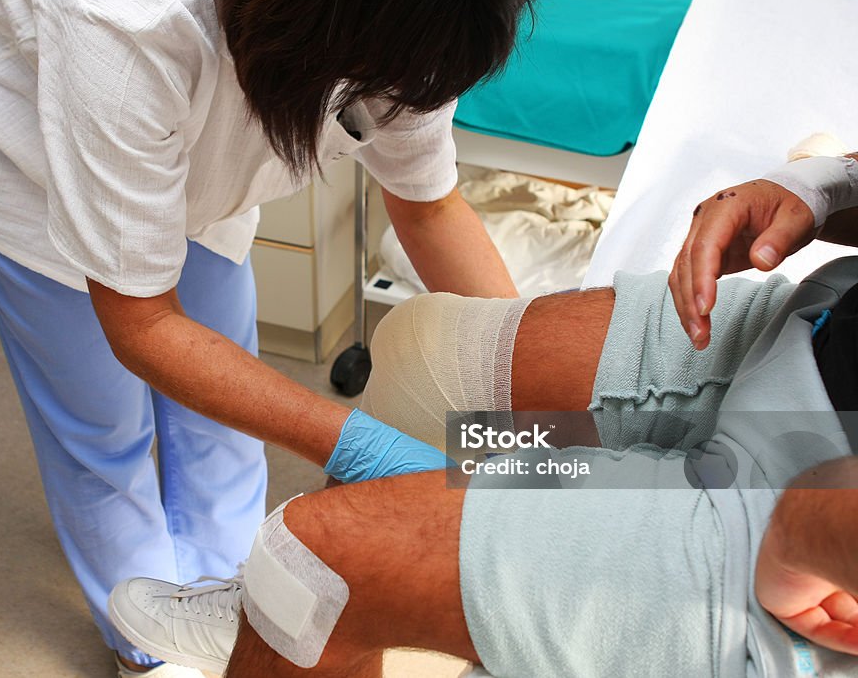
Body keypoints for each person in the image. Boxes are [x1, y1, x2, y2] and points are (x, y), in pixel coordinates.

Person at [0, 0, 536, 673]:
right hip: (26, 149)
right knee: (102, 431)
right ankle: (152, 652)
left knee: (224, 411)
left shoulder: (420, 23)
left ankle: (235, 599)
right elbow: (144, 327)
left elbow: (430, 209)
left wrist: (546, 411)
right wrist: (363, 446)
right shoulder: (123, 16)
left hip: (199, 122)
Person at [108, 156, 858, 676]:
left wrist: (798, 530)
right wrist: (820, 186)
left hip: (815, 544)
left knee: (303, 566)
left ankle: (304, 614)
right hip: (812, 338)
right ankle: (357, 614)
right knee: (420, 352)